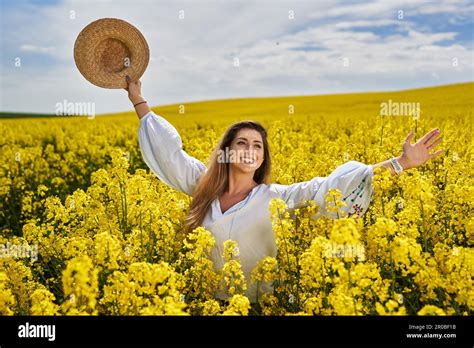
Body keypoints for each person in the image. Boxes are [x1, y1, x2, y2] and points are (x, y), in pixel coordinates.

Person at [125, 76, 443, 302]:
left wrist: (400, 163)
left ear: (263, 157)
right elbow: (170, 155)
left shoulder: (275, 197)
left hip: (257, 307)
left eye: (257, 146)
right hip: (205, 303)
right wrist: (139, 100)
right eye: (242, 143)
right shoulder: (203, 186)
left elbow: (329, 186)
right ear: (227, 151)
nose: (250, 150)